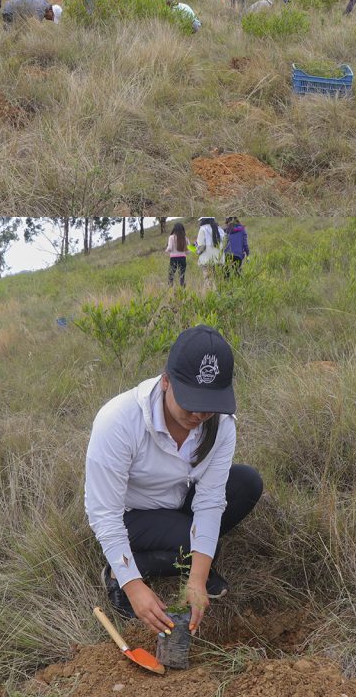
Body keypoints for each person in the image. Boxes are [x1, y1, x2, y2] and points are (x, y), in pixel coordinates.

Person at [85, 325, 263, 634]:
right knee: (203, 548)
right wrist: (133, 586)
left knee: (247, 484)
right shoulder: (118, 421)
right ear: (166, 381)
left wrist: (196, 580)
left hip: (179, 496)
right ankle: (119, 571)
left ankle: (189, 560)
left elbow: (209, 500)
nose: (198, 414)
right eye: (190, 401)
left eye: (209, 404)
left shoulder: (220, 425)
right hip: (134, 515)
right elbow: (104, 513)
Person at [196, 218, 224, 289]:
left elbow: (201, 246)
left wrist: (197, 251)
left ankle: (211, 297)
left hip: (207, 260)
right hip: (219, 260)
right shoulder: (220, 229)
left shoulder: (202, 229)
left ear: (203, 220)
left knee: (208, 281)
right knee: (218, 281)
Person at [165, 222, 191, 287]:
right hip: (183, 258)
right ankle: (182, 288)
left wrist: (166, 250)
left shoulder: (171, 237)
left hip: (173, 259)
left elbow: (170, 248)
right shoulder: (185, 238)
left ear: (174, 229)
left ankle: (170, 288)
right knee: (182, 275)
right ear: (182, 229)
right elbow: (189, 251)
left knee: (171, 275)